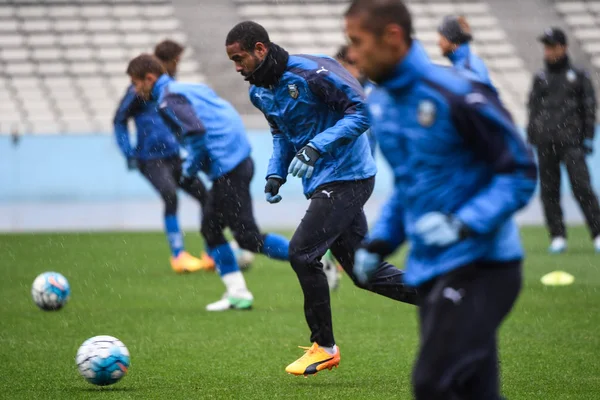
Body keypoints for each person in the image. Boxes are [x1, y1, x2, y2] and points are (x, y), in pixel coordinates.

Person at [345, 0, 537, 398]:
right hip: (430, 267)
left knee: (432, 383)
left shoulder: (456, 93)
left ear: (392, 37)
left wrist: (463, 223)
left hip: (483, 265)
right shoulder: (380, 104)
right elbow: (409, 185)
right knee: (474, 391)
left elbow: (519, 172)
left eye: (358, 42)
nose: (353, 54)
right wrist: (380, 242)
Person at [225, 21, 417, 376]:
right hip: (321, 182)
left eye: (240, 58)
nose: (237, 67)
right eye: (233, 61)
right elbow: (281, 134)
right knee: (364, 273)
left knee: (302, 252)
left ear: (260, 49)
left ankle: (324, 347)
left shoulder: (312, 73)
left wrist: (317, 147)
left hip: (351, 176)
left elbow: (362, 113)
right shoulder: (260, 93)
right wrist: (275, 172)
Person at [125, 54, 291, 311]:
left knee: (247, 237)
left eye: (136, 84)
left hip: (229, 171)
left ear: (149, 78)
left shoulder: (168, 100)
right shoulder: (190, 87)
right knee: (212, 229)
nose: (135, 90)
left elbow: (196, 132)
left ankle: (308, 256)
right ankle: (238, 293)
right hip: (236, 163)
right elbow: (223, 113)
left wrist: (190, 170)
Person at [114, 40, 213, 273]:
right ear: (165, 62)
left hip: (173, 155)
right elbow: (119, 120)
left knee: (205, 196)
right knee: (170, 196)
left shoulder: (170, 89)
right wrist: (128, 151)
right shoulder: (138, 91)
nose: (178, 65)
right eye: (176, 61)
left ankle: (211, 252)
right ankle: (178, 255)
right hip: (150, 158)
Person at [528, 27, 600, 253]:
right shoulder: (541, 78)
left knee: (582, 187)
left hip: (571, 142)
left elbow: (589, 108)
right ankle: (557, 236)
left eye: (551, 46)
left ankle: (598, 233)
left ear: (563, 47)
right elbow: (533, 109)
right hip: (546, 143)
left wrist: (588, 138)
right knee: (549, 191)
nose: (547, 51)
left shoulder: (578, 76)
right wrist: (533, 137)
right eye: (546, 47)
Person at [334, 44, 377, 156]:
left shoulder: (374, 94)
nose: (359, 67)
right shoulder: (331, 92)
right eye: (352, 62)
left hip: (364, 166)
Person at [437, 15, 493, 87]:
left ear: (454, 42)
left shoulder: (469, 68)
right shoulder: (465, 63)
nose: (438, 43)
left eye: (442, 38)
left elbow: (484, 95)